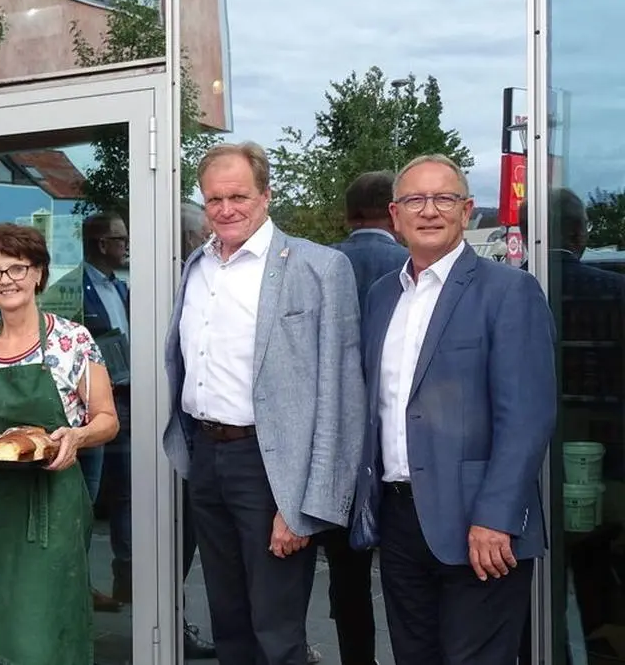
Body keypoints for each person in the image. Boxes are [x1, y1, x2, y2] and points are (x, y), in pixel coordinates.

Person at [162, 141, 365, 665]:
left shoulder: (320, 268)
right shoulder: (197, 266)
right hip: (207, 459)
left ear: (267, 195)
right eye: (214, 199)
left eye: (239, 196)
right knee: (227, 620)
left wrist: (303, 506)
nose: (226, 209)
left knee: (276, 630)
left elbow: (341, 399)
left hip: (270, 468)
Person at [350, 154, 556, 664]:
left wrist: (495, 516)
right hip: (400, 520)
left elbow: (527, 417)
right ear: (395, 216)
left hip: (479, 526)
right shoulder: (381, 297)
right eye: (415, 200)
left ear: (466, 211)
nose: (429, 211)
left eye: (443, 198)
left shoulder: (509, 291)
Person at [0, 223, 119, 665]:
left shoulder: (72, 341)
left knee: (42, 627)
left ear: (39, 273)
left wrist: (77, 435)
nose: (7, 280)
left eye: (18, 268)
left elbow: (107, 420)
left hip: (48, 506)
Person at [318, 170, 409, 665]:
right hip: (394, 448)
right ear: (394, 211)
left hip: (336, 448)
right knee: (406, 571)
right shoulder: (412, 265)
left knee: (346, 573)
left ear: (349, 215)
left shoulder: (323, 265)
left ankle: (358, 657)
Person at [44, 211, 131, 614]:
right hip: (82, 412)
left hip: (126, 403)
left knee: (128, 494)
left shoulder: (124, 288)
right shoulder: (71, 289)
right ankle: (75, 586)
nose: (127, 245)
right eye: (120, 238)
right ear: (101, 244)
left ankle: (127, 582)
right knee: (85, 499)